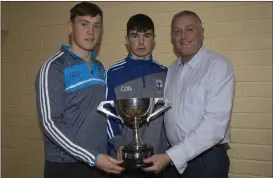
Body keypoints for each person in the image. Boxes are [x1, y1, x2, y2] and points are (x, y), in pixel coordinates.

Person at [35, 2, 124, 178]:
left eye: (96, 26)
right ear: (71, 27)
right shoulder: (53, 68)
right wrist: (92, 158)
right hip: (66, 166)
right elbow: (49, 123)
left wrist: (118, 144)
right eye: (84, 24)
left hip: (99, 164)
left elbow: (105, 114)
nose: (91, 32)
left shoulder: (100, 68)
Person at [143, 10, 235, 178]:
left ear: (201, 32)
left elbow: (215, 125)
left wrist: (171, 156)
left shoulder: (218, 66)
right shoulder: (171, 70)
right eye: (177, 31)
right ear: (172, 37)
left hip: (206, 161)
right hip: (173, 161)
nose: (183, 36)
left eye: (189, 29)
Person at [106, 14, 172, 178]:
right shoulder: (114, 73)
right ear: (127, 39)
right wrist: (120, 146)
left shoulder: (165, 73)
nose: (141, 42)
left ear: (154, 39)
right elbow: (107, 116)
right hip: (126, 161)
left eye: (146, 36)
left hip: (159, 161)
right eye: (135, 36)